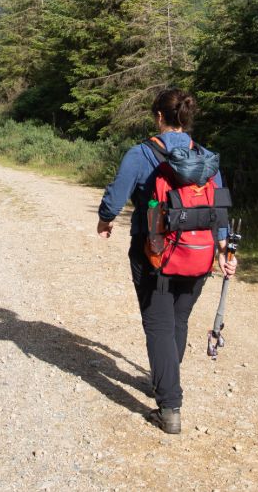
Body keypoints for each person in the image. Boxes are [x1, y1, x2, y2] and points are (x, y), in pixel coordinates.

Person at [95, 88, 235, 434]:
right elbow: (218, 209)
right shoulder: (205, 157)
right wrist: (224, 250)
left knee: (158, 325)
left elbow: (115, 197)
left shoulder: (142, 153)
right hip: (198, 255)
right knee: (177, 319)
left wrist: (105, 219)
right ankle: (166, 378)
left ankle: (169, 406)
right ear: (187, 118)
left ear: (159, 116)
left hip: (154, 254)